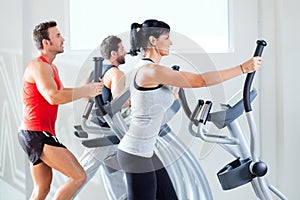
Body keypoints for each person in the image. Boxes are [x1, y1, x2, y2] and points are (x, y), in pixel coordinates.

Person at [117, 19, 262, 200]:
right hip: (135, 154)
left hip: (145, 152)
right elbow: (200, 80)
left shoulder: (151, 71)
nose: (171, 43)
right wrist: (242, 68)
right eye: (167, 38)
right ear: (153, 41)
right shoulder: (150, 70)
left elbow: (150, 105)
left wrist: (173, 94)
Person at [18, 20, 103, 200]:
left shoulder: (51, 67)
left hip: (35, 133)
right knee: (78, 176)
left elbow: (62, 92)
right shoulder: (38, 66)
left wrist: (87, 90)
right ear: (46, 43)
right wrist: (86, 90)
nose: (63, 39)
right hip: (36, 133)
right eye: (57, 36)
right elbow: (53, 96)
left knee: (41, 189)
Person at [73, 35, 128, 200]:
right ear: (113, 53)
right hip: (104, 130)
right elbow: (119, 103)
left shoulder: (94, 72)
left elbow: (85, 95)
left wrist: (99, 104)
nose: (125, 52)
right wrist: (134, 102)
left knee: (115, 174)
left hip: (101, 127)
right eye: (122, 49)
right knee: (82, 173)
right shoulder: (117, 74)